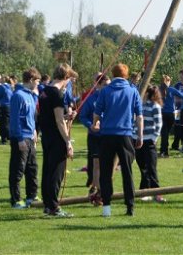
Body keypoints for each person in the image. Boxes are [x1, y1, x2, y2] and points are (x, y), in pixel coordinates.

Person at [92, 63, 143, 217]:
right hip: (125, 135)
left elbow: (97, 112)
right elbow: (139, 116)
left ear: (113, 75)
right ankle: (130, 207)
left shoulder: (105, 91)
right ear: (126, 75)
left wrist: (95, 124)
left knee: (106, 172)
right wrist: (140, 136)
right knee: (127, 172)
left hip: (107, 135)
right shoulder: (133, 91)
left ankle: (106, 207)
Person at [39, 63, 77, 218]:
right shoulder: (58, 94)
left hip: (47, 136)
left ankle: (48, 205)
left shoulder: (45, 92)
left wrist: (67, 117)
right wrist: (68, 141)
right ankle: (54, 206)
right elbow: (59, 120)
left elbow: (51, 116)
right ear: (66, 77)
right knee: (56, 173)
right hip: (56, 138)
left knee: (47, 170)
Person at [9, 68, 41, 209]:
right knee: (17, 170)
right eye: (37, 81)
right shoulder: (18, 95)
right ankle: (16, 200)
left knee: (32, 168)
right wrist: (20, 138)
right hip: (20, 138)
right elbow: (15, 120)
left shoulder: (32, 96)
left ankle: (32, 196)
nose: (38, 84)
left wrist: (34, 131)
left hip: (30, 137)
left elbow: (31, 116)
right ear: (31, 80)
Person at [79, 73, 110, 203]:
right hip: (95, 136)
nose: (108, 88)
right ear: (97, 85)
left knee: (108, 165)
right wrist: (90, 125)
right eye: (105, 85)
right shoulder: (91, 99)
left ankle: (99, 189)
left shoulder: (111, 97)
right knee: (96, 164)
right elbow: (83, 116)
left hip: (108, 136)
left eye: (109, 85)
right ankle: (97, 191)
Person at [134, 85, 165, 203]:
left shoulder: (155, 106)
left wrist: (155, 137)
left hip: (149, 141)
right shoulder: (141, 105)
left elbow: (159, 123)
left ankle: (157, 193)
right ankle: (144, 191)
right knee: (142, 167)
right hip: (139, 140)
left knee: (151, 167)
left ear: (148, 94)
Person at [158, 75, 176, 157]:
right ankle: (164, 151)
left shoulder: (158, 90)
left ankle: (163, 151)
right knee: (166, 133)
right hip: (171, 115)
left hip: (162, 114)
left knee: (164, 133)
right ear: (168, 81)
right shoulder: (172, 89)